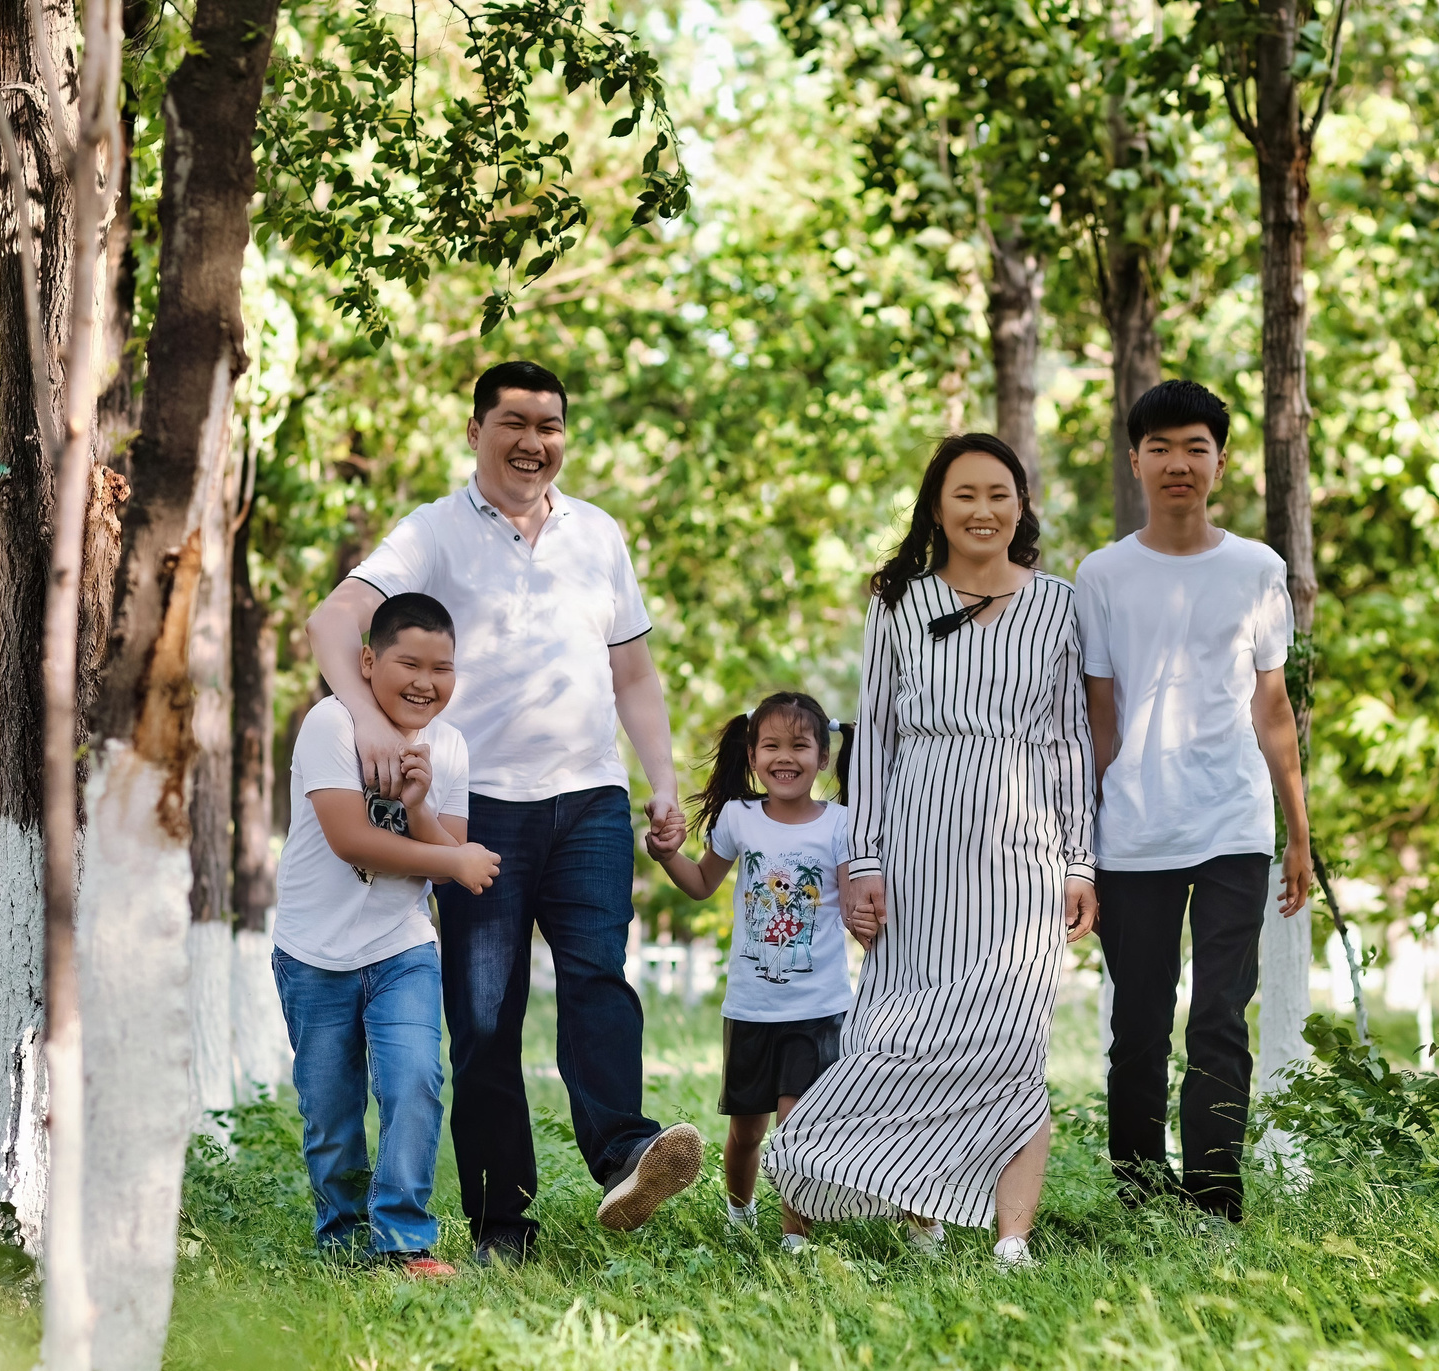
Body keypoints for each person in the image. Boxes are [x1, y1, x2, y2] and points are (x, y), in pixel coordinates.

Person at [304, 362, 701, 1263]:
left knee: (599, 978)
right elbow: (334, 622)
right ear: (477, 428)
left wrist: (662, 781)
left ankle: (628, 1154)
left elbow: (633, 673)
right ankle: (500, 1226)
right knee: (485, 1019)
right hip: (474, 809)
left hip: (590, 798)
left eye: (551, 424)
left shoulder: (598, 535)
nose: (534, 441)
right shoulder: (434, 532)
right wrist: (369, 720)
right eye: (514, 421)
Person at [763, 434, 1096, 1270]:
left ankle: (1011, 1241)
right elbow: (873, 734)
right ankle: (822, 1201)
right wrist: (865, 857)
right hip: (919, 844)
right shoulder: (899, 602)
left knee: (1011, 1039)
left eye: (999, 493)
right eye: (965, 495)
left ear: (1022, 504)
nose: (983, 510)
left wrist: (1080, 861)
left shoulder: (1059, 603)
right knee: (893, 1032)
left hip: (1024, 856)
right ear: (937, 508)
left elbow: (1067, 741)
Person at [1078, 379, 1312, 1224]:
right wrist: (1082, 843)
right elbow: (1099, 716)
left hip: (1232, 827)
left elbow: (1272, 705)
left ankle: (1215, 1199)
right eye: (1161, 448)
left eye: (1196, 447)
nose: (1179, 463)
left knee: (1219, 1016)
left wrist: (1298, 833)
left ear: (1219, 459)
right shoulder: (1101, 575)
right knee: (1137, 1024)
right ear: (1136, 458)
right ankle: (1141, 1197)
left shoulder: (1256, 568)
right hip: (1132, 831)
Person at [270, 593, 502, 1278]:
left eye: (443, 667)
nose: (426, 682)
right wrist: (453, 860)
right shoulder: (330, 724)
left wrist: (420, 806)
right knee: (330, 1108)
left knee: (414, 1082)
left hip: (402, 947)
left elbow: (447, 847)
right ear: (368, 660)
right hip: (313, 952)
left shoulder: (450, 744)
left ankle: (403, 1241)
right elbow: (351, 840)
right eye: (409, 662)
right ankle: (341, 1238)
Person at [644, 693, 855, 1250]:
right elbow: (700, 885)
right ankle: (740, 1217)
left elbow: (858, 907)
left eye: (800, 746)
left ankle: (797, 1238)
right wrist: (667, 854)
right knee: (745, 1133)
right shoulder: (739, 818)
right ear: (753, 753)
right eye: (772, 746)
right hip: (751, 1008)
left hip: (817, 1009)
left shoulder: (841, 824)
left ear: (824, 757)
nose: (786, 757)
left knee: (798, 1129)